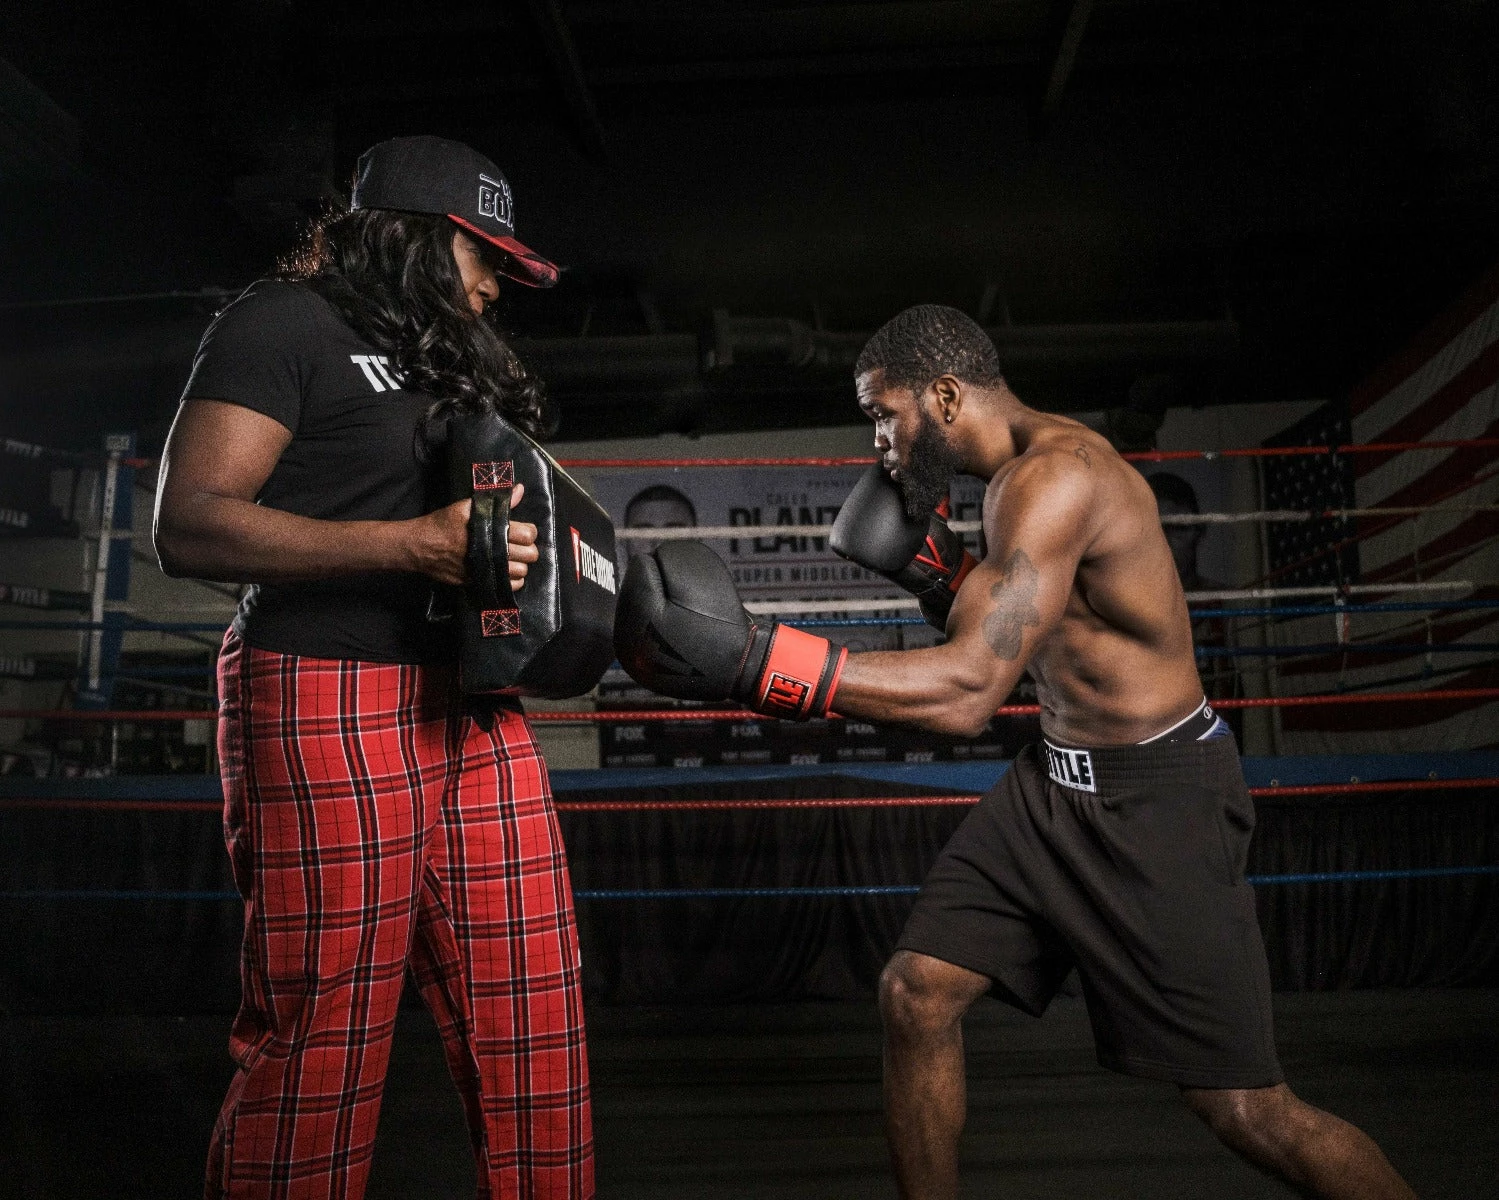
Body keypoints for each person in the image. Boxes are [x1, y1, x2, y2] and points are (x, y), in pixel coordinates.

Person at [613, 305, 1416, 1199]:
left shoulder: (1054, 478)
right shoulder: (1013, 486)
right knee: (916, 993)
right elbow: (1037, 630)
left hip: (1157, 802)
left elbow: (967, 692)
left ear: (945, 396)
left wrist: (759, 663)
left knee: (1246, 1108)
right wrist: (940, 574)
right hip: (1053, 788)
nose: (876, 440)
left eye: (883, 414)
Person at [155, 136, 593, 1199]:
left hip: (474, 702)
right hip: (326, 686)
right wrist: (409, 547)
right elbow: (190, 524)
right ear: (409, 237)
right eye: (481, 255)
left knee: (536, 1012)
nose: (495, 285)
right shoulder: (282, 323)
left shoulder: (451, 360)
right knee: (326, 1031)